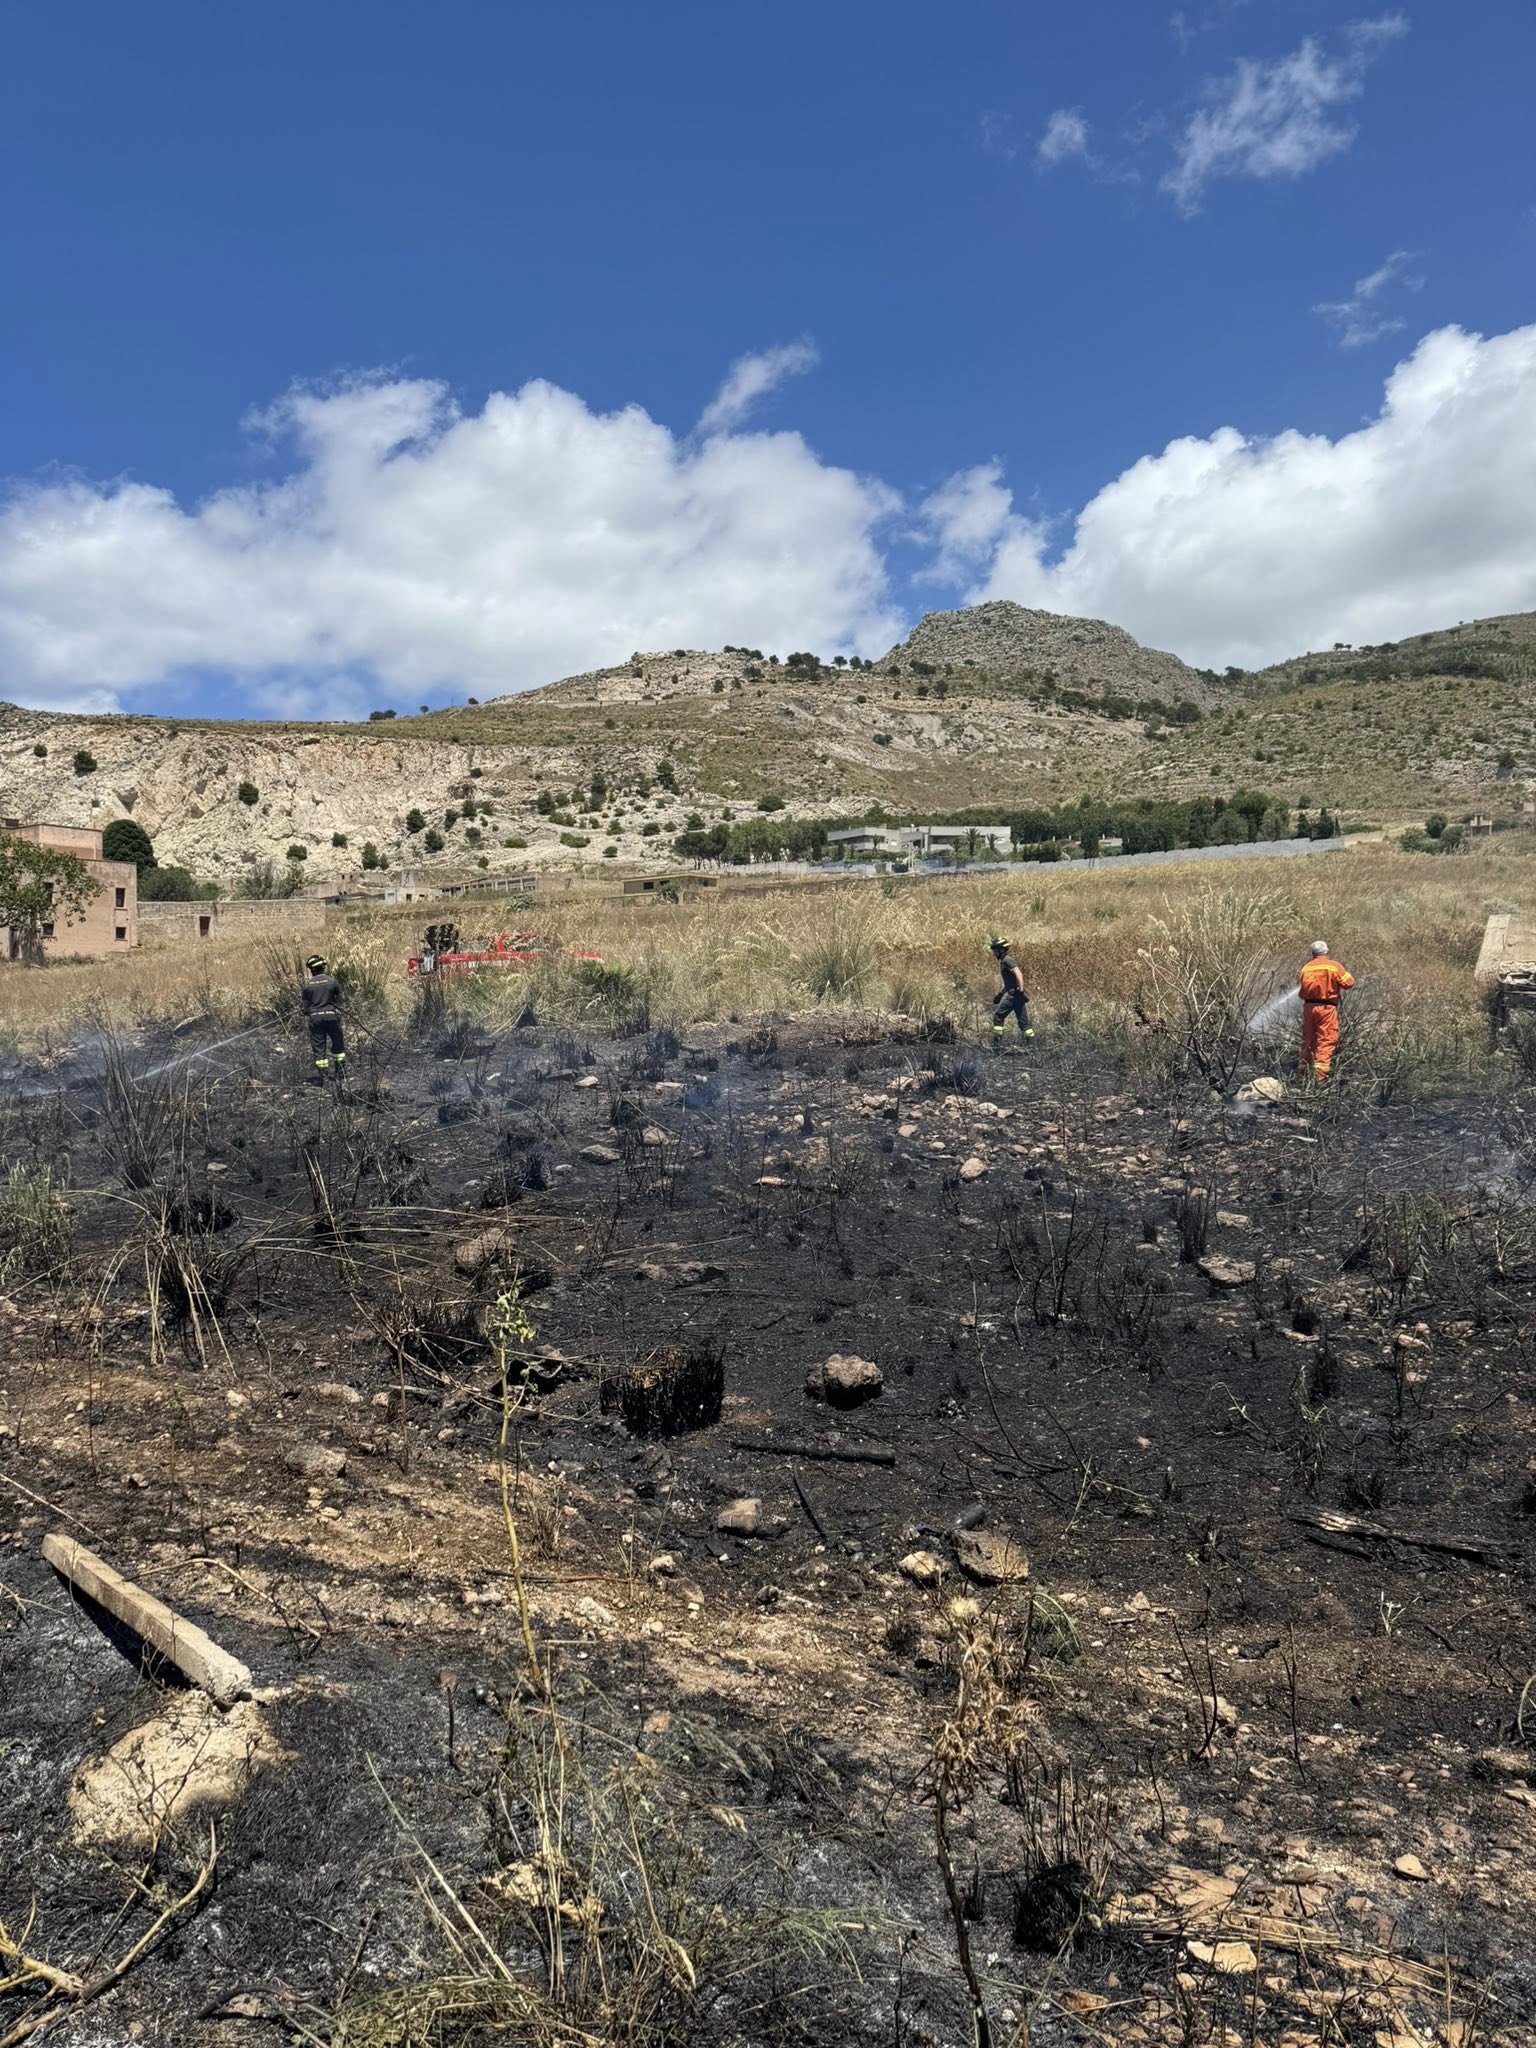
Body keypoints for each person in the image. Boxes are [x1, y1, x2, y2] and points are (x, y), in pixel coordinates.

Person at [1298, 939, 1353, 1079]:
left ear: (1312, 953)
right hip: (1326, 1008)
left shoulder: (1306, 968)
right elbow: (1349, 983)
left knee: (1308, 1039)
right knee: (1326, 1039)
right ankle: (1320, 1078)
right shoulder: (1333, 966)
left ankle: (1302, 1074)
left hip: (1308, 1008)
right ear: (1326, 951)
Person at [301, 953, 346, 1075]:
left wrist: (312, 1010)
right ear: (323, 967)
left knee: (319, 1048)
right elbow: (340, 1000)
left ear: (312, 969)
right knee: (338, 1044)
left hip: (315, 1019)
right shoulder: (332, 981)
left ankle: (323, 1077)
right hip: (331, 1017)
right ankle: (340, 1074)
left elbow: (305, 1009)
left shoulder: (307, 985)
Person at [988, 936, 1033, 1042]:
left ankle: (996, 1044)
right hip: (1016, 993)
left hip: (1014, 994)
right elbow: (1010, 983)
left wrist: (1020, 991)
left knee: (998, 1016)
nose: (993, 953)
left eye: (995, 950)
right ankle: (1031, 1045)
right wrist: (1000, 994)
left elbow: (1019, 974)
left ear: (1001, 949)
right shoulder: (1004, 961)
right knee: (1024, 1022)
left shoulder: (1007, 960)